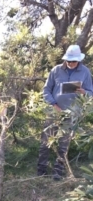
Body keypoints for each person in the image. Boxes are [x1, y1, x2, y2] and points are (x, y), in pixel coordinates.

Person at [37, 44, 93, 180]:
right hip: (54, 111)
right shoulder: (56, 70)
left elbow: (91, 92)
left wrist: (84, 92)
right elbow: (46, 90)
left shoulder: (85, 72)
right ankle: (41, 170)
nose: (71, 63)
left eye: (73, 61)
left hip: (72, 114)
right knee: (46, 141)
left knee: (64, 144)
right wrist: (54, 104)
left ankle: (58, 171)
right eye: (68, 60)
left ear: (78, 60)